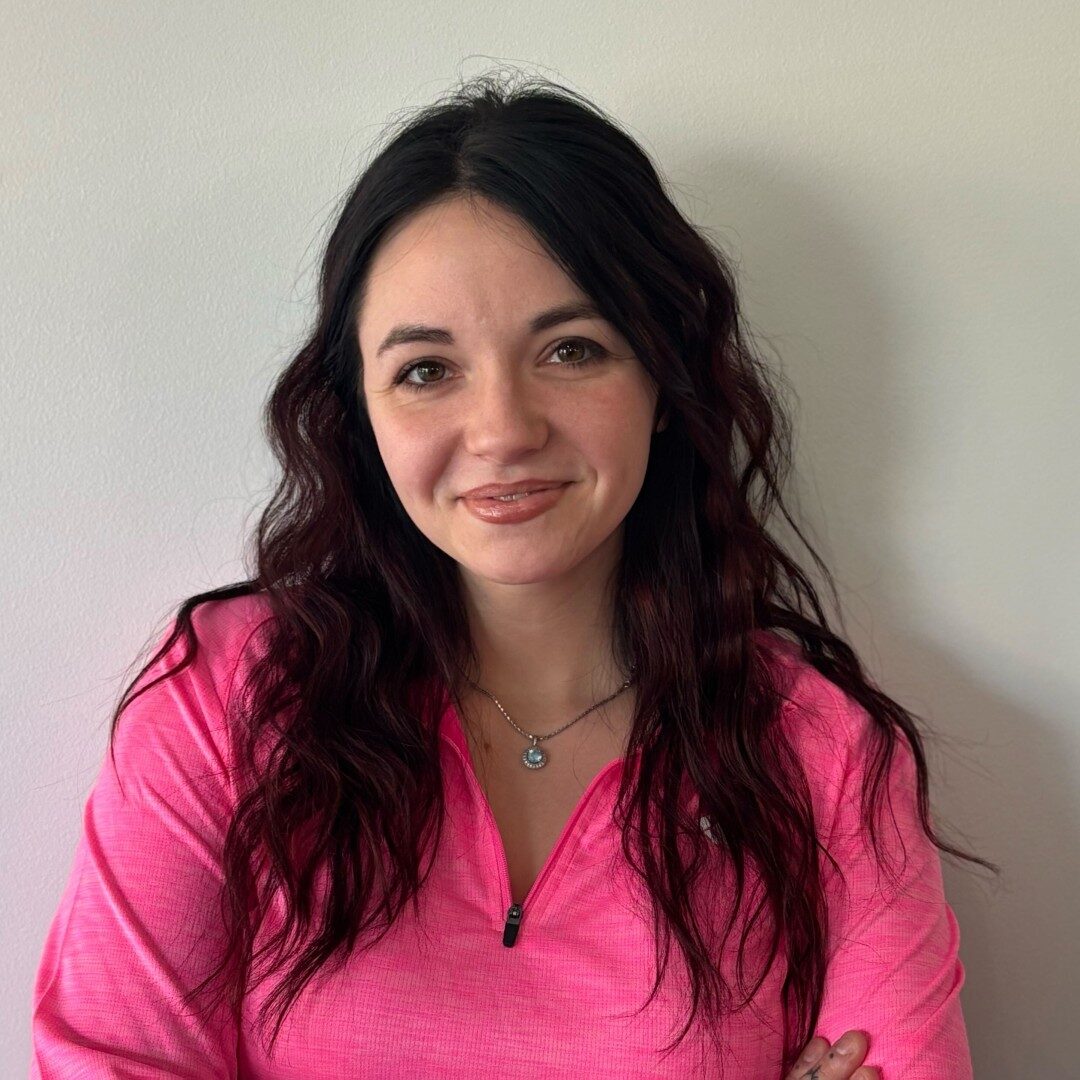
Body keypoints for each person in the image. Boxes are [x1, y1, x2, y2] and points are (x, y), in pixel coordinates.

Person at [29, 71, 991, 1078]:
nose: (502, 431)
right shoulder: (227, 701)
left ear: (664, 380)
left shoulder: (825, 755)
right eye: (426, 370)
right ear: (360, 415)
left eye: (571, 350)